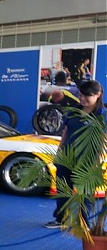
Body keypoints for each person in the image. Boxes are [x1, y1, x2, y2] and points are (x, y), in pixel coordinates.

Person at [45, 79, 105, 228]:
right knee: (63, 190)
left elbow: (103, 141)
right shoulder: (73, 112)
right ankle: (61, 219)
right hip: (67, 158)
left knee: (84, 194)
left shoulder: (102, 116)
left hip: (87, 160)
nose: (82, 99)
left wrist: (96, 163)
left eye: (87, 96)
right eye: (80, 95)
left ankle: (84, 222)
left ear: (98, 94)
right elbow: (66, 133)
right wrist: (59, 153)